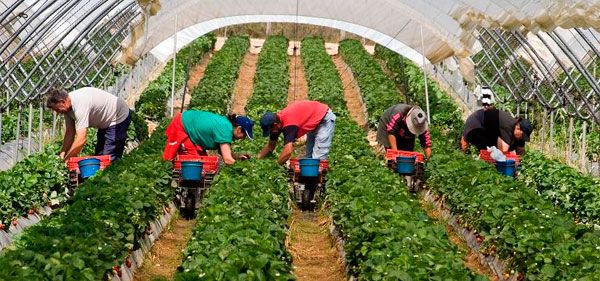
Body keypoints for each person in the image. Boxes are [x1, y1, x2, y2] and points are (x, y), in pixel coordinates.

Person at [46, 87, 132, 161]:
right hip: (105, 122)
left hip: (118, 117)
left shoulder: (80, 105)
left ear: (62, 102)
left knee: (108, 158)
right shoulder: (67, 109)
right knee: (100, 156)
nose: (58, 113)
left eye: (57, 109)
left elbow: (81, 139)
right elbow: (70, 132)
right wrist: (63, 153)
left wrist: (68, 159)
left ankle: (114, 177)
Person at [162, 110, 254, 165]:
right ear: (238, 129)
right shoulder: (225, 130)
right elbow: (227, 159)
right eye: (244, 135)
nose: (243, 138)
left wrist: (238, 157)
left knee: (203, 162)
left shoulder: (226, 125)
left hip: (190, 126)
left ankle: (192, 191)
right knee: (195, 164)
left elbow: (224, 152)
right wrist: (245, 168)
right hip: (182, 127)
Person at [258, 101, 336, 165]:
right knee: (309, 158)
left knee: (317, 159)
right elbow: (270, 146)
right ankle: (312, 179)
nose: (272, 133)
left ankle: (319, 181)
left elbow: (288, 151)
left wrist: (276, 166)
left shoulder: (289, 124)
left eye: (271, 130)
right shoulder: (276, 125)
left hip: (324, 118)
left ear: (275, 125)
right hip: (314, 121)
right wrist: (257, 160)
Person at [461, 108, 533, 155]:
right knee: (488, 152)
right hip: (477, 125)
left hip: (490, 128)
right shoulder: (508, 126)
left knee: (492, 151)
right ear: (518, 127)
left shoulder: (518, 134)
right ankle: (461, 156)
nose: (522, 138)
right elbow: (503, 151)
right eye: (522, 136)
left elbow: (521, 151)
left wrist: (521, 164)